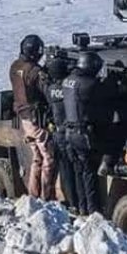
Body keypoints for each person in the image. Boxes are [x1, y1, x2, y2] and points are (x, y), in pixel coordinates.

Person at [62, 49, 113, 216]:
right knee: (89, 174)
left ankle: (81, 207)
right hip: (84, 136)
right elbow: (107, 95)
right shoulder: (90, 85)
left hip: (69, 133)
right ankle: (93, 212)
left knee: (78, 172)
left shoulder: (68, 81)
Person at [9, 35, 55, 200]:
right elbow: (48, 92)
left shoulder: (15, 66)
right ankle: (45, 196)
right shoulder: (35, 71)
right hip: (36, 119)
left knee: (36, 158)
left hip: (24, 118)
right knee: (48, 158)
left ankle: (33, 195)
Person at [44, 54, 78, 212]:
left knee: (65, 171)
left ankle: (71, 202)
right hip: (72, 133)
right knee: (77, 170)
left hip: (59, 134)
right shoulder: (70, 88)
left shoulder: (51, 90)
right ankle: (79, 203)